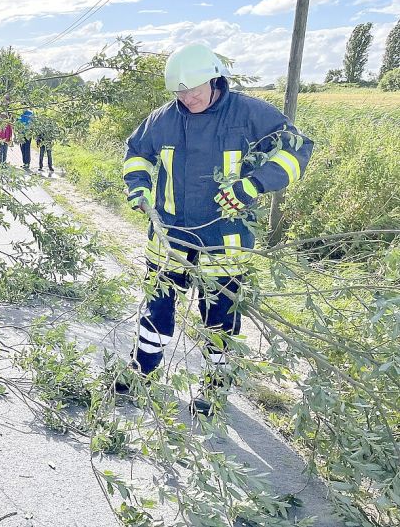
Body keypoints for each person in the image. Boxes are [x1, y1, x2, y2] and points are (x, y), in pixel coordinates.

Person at [116, 43, 313, 415]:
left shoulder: (250, 114)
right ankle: (141, 371)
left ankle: (215, 386)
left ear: (214, 79)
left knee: (219, 316)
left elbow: (297, 146)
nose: (188, 98)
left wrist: (253, 185)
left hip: (224, 239)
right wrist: (138, 186)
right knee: (156, 307)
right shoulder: (163, 119)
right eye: (180, 92)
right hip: (169, 236)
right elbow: (136, 152)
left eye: (194, 89)